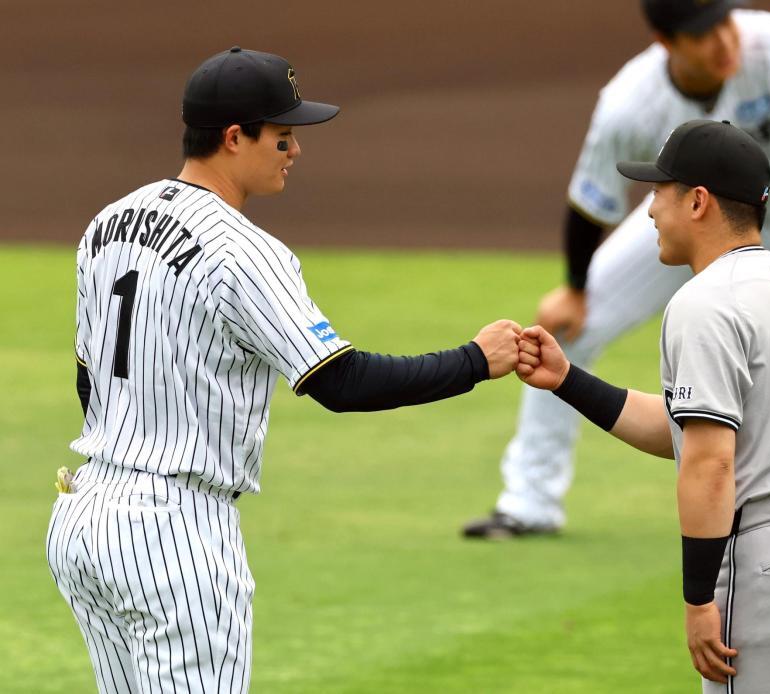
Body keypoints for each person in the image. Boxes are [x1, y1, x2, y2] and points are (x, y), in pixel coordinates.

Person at [45, 46, 522, 694]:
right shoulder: (244, 251)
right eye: (283, 136)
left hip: (85, 516)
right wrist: (473, 361)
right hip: (173, 530)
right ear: (234, 137)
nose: (295, 151)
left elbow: (88, 378)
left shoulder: (109, 223)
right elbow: (341, 381)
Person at [463, 0, 770, 548]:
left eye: (724, 21)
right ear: (667, 43)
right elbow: (590, 200)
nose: (724, 40)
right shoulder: (628, 103)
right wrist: (573, 288)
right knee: (565, 330)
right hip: (688, 217)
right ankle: (528, 501)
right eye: (702, 33)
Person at [516, 118, 770, 692]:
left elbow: (710, 461)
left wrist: (699, 600)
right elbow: (683, 429)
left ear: (697, 202)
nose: (648, 211)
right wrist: (567, 380)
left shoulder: (706, 301)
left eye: (658, 192)